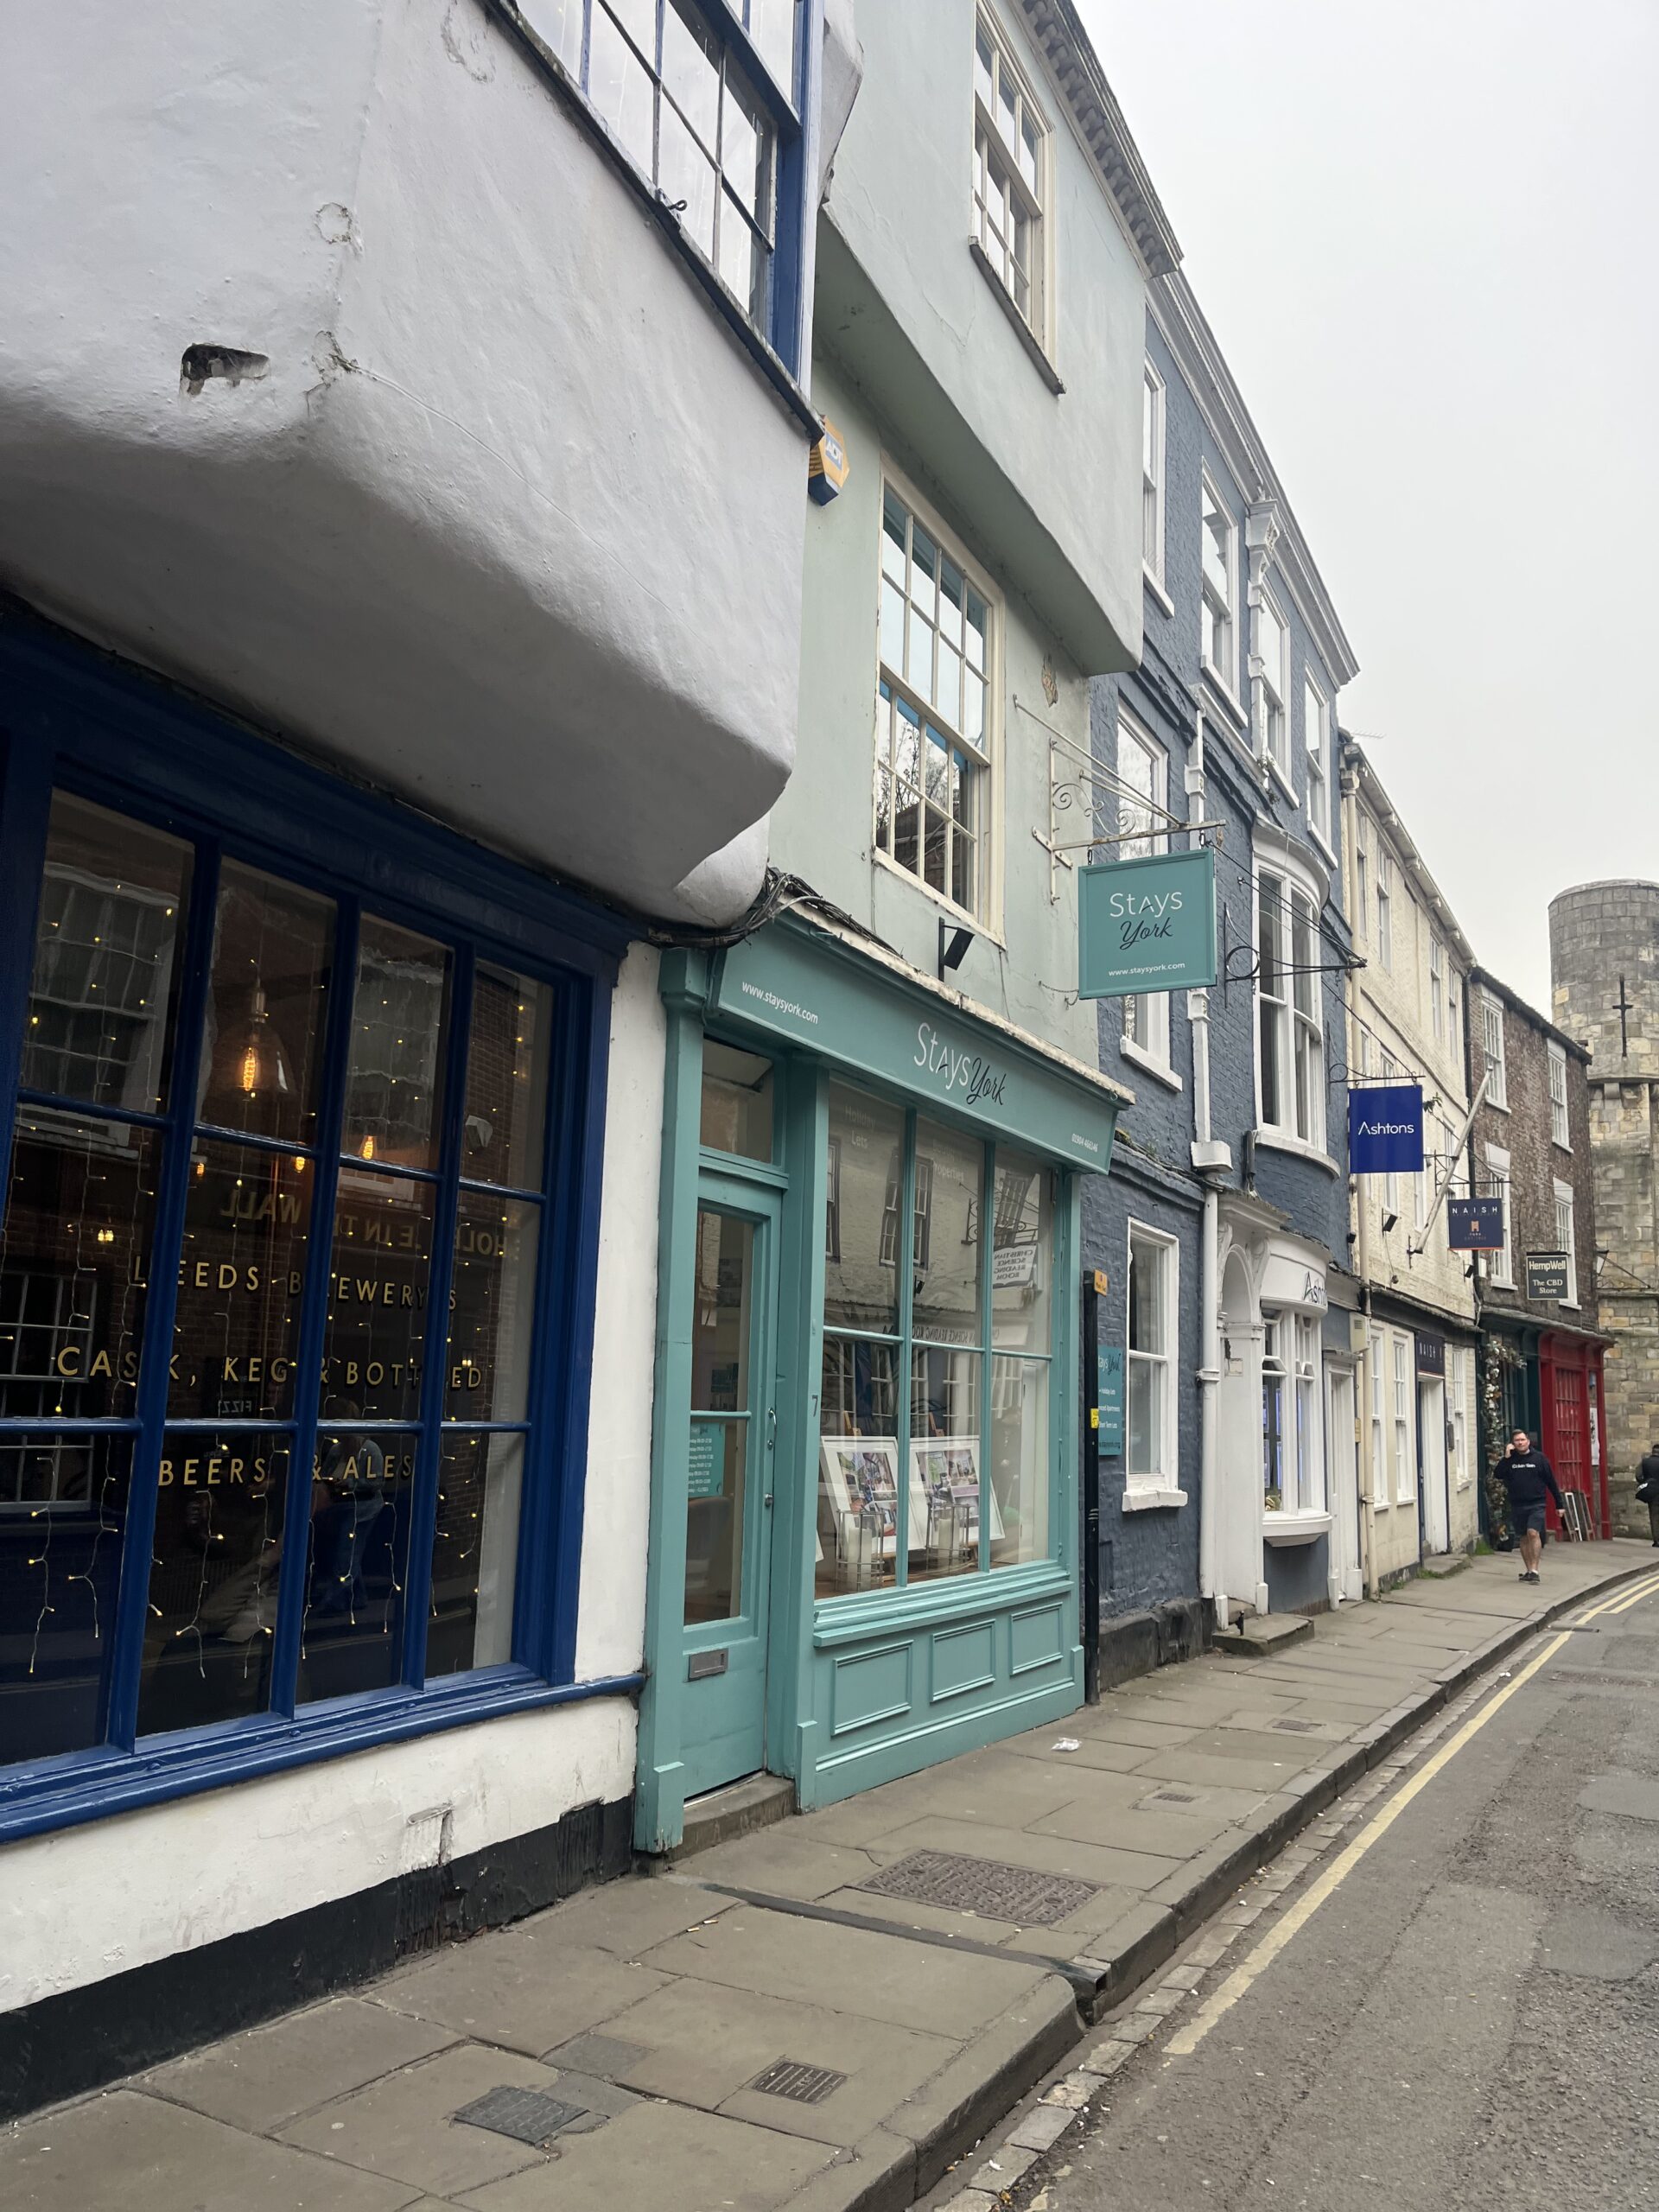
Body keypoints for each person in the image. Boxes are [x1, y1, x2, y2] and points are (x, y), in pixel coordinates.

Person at [1495, 1429, 1564, 1584]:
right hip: (1517, 1504)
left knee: (1533, 1533)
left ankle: (1535, 1570)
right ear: (1513, 1444)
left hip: (1536, 1503)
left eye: (1522, 1440)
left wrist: (1559, 1504)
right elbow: (1498, 1474)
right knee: (1524, 1538)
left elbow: (1551, 1482)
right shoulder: (1510, 1460)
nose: (1520, 1443)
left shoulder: (1539, 1459)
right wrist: (1506, 1457)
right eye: (1517, 1441)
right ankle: (1529, 1571)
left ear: (1528, 1441)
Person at [1638, 1440, 1659, 1547]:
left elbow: (1638, 1475)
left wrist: (1645, 1483)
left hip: (1652, 1492)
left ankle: (1656, 1540)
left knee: (1654, 1516)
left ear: (1653, 1451)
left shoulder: (1645, 1462)